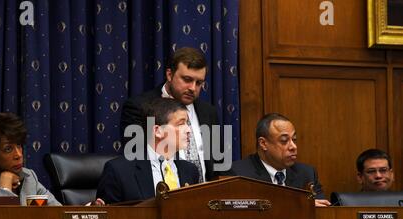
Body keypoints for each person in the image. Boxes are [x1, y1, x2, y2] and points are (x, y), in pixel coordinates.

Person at [120, 46, 220, 182]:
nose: (192, 88)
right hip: (161, 194)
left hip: (206, 198)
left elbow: (220, 163)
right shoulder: (139, 107)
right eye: (187, 79)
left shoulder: (209, 112)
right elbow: (135, 159)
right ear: (169, 75)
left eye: (199, 83)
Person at [96, 98, 200, 204]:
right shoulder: (119, 171)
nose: (188, 130)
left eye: (187, 124)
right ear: (157, 131)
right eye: (181, 124)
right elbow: (109, 217)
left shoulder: (190, 171)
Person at [226, 113, 331, 207]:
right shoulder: (238, 175)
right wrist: (299, 206)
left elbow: (322, 212)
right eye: (284, 140)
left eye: (294, 139)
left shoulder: (307, 174)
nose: (293, 146)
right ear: (263, 143)